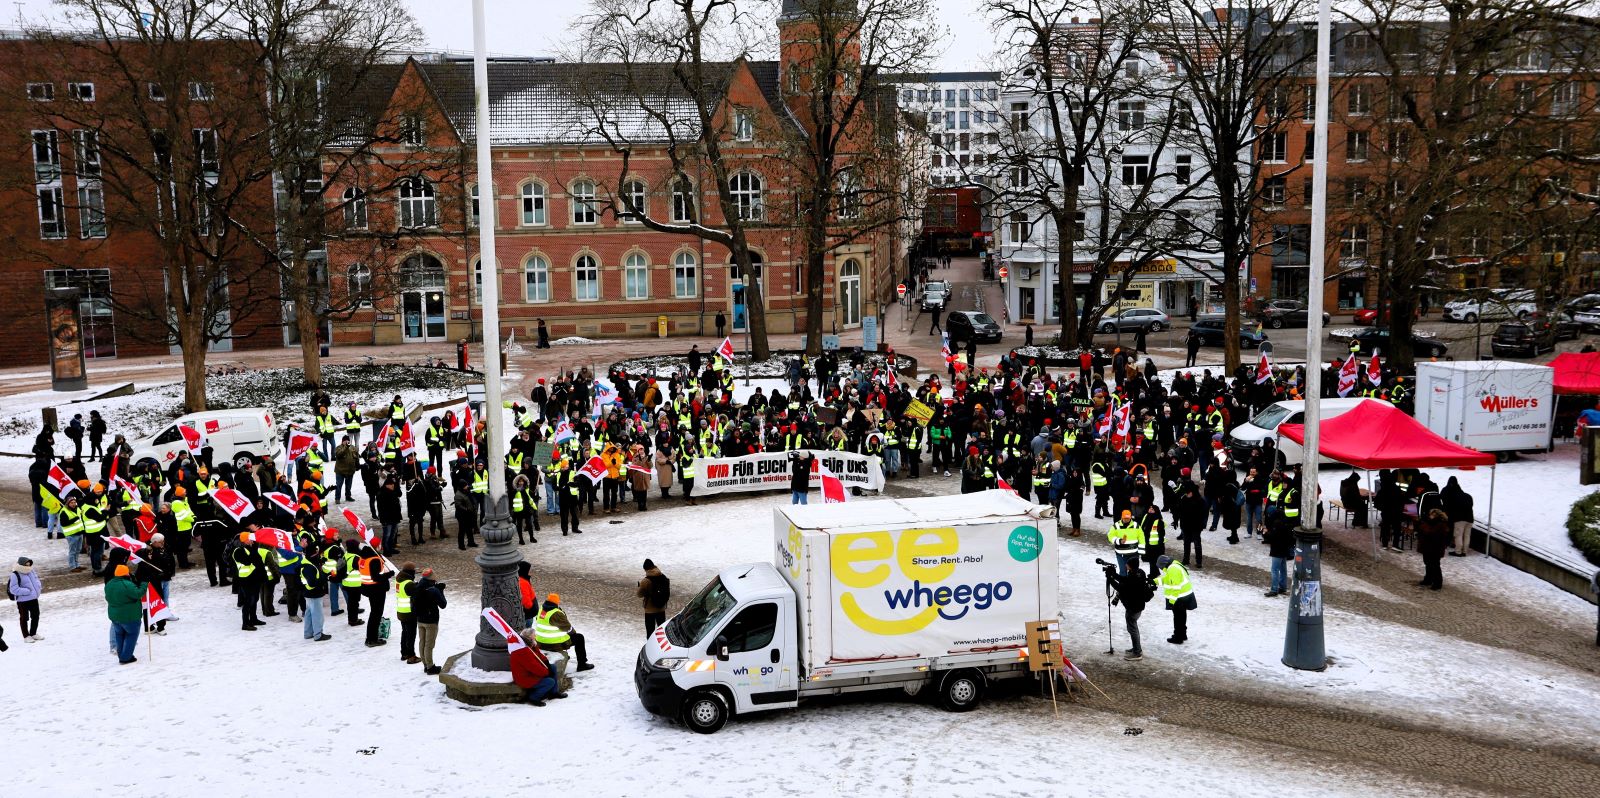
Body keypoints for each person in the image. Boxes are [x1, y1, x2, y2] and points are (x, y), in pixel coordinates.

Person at [532, 593, 593, 672]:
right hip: (553, 644)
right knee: (579, 638)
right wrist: (573, 633)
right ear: (557, 602)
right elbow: (568, 628)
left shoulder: (542, 609)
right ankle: (582, 665)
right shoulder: (556, 613)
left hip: (540, 642)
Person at [1110, 559, 1154, 660]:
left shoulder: (1133, 577)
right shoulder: (1140, 573)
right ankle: (1136, 648)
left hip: (1133, 608)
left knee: (1132, 629)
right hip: (1138, 606)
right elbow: (1125, 580)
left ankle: (1137, 653)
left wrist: (1111, 579)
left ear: (1130, 566)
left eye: (1127, 564)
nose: (1125, 565)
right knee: (1133, 628)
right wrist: (1114, 575)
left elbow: (1121, 587)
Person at [510, 631, 565, 706]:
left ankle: (553, 693)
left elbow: (539, 655)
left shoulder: (531, 645)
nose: (536, 636)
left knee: (553, 667)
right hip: (524, 677)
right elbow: (533, 667)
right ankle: (533, 697)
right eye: (534, 635)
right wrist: (547, 672)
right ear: (529, 638)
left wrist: (547, 663)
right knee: (550, 681)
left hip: (532, 672)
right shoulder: (523, 651)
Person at [411, 568, 447, 674]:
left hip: (420, 619)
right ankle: (430, 667)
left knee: (422, 642)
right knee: (429, 645)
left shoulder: (418, 586)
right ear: (432, 577)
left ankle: (425, 665)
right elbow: (443, 605)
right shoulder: (433, 590)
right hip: (431, 621)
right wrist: (441, 590)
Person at [105, 564, 141, 664]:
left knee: (119, 635)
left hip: (115, 616)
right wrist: (144, 584)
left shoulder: (109, 584)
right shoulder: (127, 584)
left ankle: (121, 655)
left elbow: (107, 598)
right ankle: (126, 658)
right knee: (131, 635)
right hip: (129, 616)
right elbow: (138, 594)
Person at [1155, 555, 1195, 644]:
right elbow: (1168, 579)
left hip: (1180, 597)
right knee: (1182, 617)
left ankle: (1178, 638)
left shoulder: (1173, 569)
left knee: (1178, 618)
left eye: (1161, 567)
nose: (1161, 569)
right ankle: (1183, 634)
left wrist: (1172, 601)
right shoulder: (1174, 565)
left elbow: (1176, 587)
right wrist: (1155, 581)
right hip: (1185, 595)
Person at [299, 535, 331, 641]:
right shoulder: (309, 567)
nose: (318, 554)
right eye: (316, 553)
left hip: (308, 593)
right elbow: (313, 583)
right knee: (317, 614)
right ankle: (318, 634)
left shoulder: (307, 563)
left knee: (309, 613)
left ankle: (308, 633)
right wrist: (324, 578)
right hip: (314, 593)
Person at [231, 532, 264, 631]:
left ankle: (253, 619)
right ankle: (245, 624)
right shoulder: (238, 551)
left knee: (255, 599)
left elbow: (258, 561)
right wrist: (253, 550)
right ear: (244, 540)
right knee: (248, 601)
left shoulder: (249, 548)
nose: (252, 540)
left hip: (254, 578)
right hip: (245, 579)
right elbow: (248, 561)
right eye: (250, 538)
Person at [9, 557, 42, 642]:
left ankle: (33, 633)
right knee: (24, 618)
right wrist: (26, 591)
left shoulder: (31, 571)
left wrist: (38, 586)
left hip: (33, 598)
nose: (28, 565)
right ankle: (26, 636)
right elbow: (13, 589)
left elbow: (36, 579)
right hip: (22, 601)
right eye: (27, 563)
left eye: (29, 563)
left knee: (36, 616)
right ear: (21, 564)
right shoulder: (15, 574)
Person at [1417, 508, 1450, 590]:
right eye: (1430, 514)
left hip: (1435, 549)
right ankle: (1428, 579)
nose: (1430, 516)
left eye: (1432, 514)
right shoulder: (1430, 522)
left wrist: (1423, 525)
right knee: (1428, 564)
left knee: (1435, 565)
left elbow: (1430, 533)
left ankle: (1437, 583)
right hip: (1428, 547)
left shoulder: (1441, 524)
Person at [1441, 476, 1474, 556]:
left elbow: (1450, 507)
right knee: (1466, 536)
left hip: (1459, 519)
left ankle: (1458, 551)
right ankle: (1464, 551)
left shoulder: (1454, 497)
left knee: (1458, 535)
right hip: (1470, 519)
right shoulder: (1468, 496)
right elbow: (1471, 505)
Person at [395, 563, 420, 663]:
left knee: (404, 633)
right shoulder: (409, 584)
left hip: (401, 611)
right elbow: (417, 595)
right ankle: (411, 656)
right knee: (411, 635)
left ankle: (404, 653)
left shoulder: (400, 581)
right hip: (409, 613)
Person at [638, 559, 670, 635]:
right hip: (661, 609)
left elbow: (639, 594)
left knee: (650, 632)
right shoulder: (663, 576)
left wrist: (641, 587)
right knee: (662, 632)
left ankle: (651, 646)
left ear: (646, 569)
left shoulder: (645, 581)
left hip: (650, 611)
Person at [1265, 517, 1293, 597]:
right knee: (1283, 570)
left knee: (1274, 570)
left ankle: (1274, 589)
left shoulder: (1276, 529)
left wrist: (1265, 533)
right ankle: (1283, 587)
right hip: (1284, 552)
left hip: (1276, 553)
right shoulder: (1286, 528)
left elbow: (1270, 538)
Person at [518, 561, 538, 628]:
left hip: (527, 614)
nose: (530, 572)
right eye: (529, 570)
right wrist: (531, 607)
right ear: (524, 570)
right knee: (527, 635)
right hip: (527, 615)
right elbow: (525, 600)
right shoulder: (522, 582)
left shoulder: (523, 579)